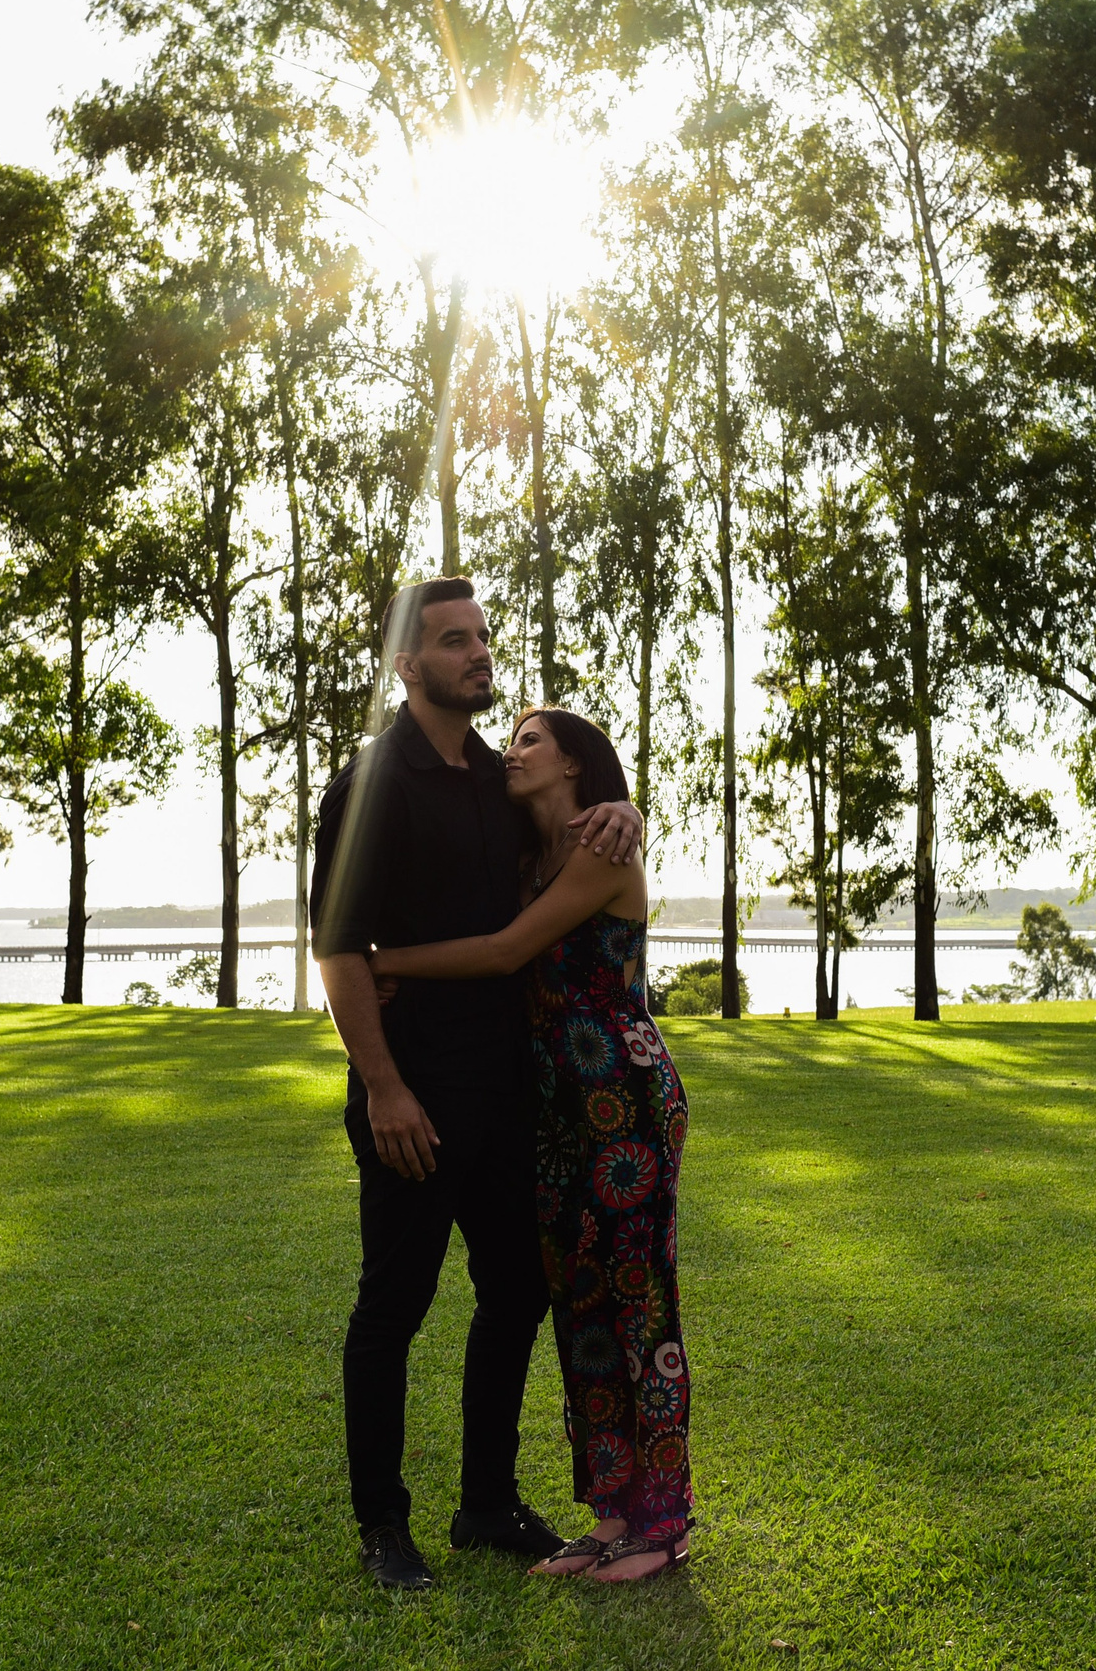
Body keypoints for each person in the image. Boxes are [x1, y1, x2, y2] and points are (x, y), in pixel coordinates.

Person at [310, 578, 642, 1592]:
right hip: (414, 1093)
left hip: (507, 1093)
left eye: (483, 636)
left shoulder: (500, 779)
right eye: (453, 641)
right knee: (393, 1307)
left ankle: (486, 1502)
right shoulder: (373, 779)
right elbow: (337, 944)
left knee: (515, 1290)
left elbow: (565, 822)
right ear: (406, 665)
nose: (477, 653)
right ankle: (381, 1523)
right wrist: (382, 1086)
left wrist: (621, 806)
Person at [371, 706, 695, 1584]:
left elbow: (509, 950)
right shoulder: (526, 859)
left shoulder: (603, 848)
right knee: (581, 1309)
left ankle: (665, 1525)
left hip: (623, 1101)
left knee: (639, 1306)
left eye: (528, 740)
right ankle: (612, 1514)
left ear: (575, 766)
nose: (510, 752)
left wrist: (386, 959)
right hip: (551, 1107)